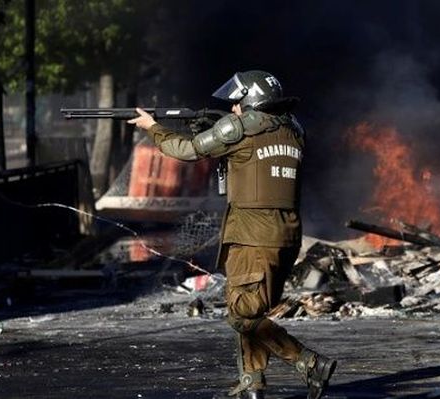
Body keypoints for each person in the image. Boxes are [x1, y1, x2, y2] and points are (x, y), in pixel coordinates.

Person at [128, 70, 336, 399]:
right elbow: (248, 156)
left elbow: (187, 150)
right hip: (286, 235)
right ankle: (252, 383)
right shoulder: (293, 130)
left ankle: (309, 362)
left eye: (238, 102)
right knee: (250, 308)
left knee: (241, 315)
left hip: (252, 237)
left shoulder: (240, 128)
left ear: (251, 102)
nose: (234, 108)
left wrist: (152, 127)